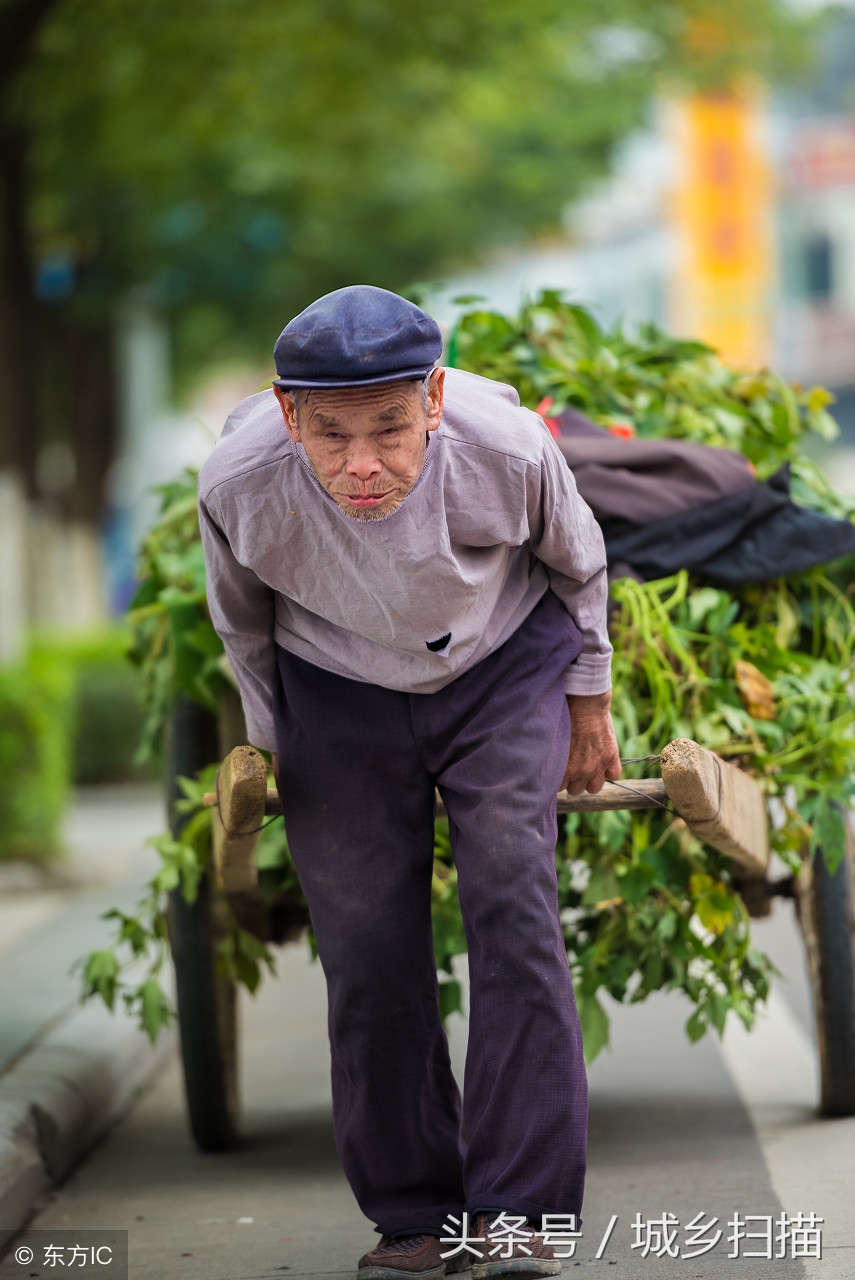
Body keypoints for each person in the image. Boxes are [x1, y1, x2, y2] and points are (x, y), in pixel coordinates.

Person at [198, 285, 621, 1280]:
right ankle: (418, 1214)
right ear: (286, 411)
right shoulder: (241, 482)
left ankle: (520, 1213)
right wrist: (274, 748)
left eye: (390, 427)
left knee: (512, 902)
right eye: (332, 434)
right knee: (367, 942)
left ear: (432, 396)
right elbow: (242, 628)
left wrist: (589, 704)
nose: (362, 464)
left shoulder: (505, 446)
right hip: (334, 691)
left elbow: (579, 560)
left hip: (504, 664)